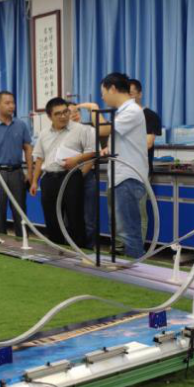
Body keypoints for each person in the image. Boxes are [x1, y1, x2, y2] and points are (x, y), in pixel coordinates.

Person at [79, 73, 149, 259]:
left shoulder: (132, 110)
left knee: (129, 231)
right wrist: (107, 149)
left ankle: (137, 268)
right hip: (120, 176)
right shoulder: (123, 112)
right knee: (123, 229)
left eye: (103, 92)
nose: (102, 97)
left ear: (112, 88)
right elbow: (120, 139)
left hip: (128, 177)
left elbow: (103, 129)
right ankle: (132, 266)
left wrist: (94, 109)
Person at [29, 98, 95, 246]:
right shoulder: (44, 134)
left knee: (75, 218)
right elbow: (39, 158)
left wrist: (77, 162)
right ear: (49, 116)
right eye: (58, 114)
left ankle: (79, 251)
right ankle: (56, 250)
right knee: (52, 218)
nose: (63, 116)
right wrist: (34, 181)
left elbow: (92, 152)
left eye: (65, 112)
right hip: (49, 179)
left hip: (71, 178)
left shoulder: (81, 129)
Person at [0, 91, 33, 237]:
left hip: (17, 173)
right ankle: (0, 240)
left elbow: (28, 148)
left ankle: (23, 240)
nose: (11, 106)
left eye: (13, 103)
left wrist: (30, 172)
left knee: (20, 210)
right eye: (7, 103)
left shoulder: (21, 125)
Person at [130, 79, 162, 241]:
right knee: (122, 211)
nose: (128, 98)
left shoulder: (149, 116)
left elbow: (148, 143)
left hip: (140, 171)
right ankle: (121, 247)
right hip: (122, 169)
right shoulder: (122, 116)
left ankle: (137, 247)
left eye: (131, 94)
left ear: (140, 94)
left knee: (138, 210)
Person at [69, 104, 99, 246]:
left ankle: (89, 248)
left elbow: (93, 156)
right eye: (71, 112)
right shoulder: (64, 133)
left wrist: (80, 176)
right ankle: (72, 246)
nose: (75, 114)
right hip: (68, 178)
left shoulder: (90, 131)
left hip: (86, 177)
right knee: (70, 215)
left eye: (77, 111)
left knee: (89, 217)